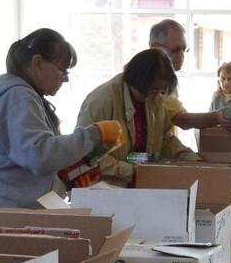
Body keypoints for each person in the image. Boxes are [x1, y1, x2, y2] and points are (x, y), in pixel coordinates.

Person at [0, 29, 121, 209]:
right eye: (63, 70)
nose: (65, 79)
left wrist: (63, 181)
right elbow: (40, 156)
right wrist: (93, 135)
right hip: (7, 213)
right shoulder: (18, 98)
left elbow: (31, 162)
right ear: (37, 62)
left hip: (16, 209)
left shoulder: (24, 97)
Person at [76, 49, 198, 186]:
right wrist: (132, 170)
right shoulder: (103, 101)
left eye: (161, 91)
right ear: (140, 82)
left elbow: (164, 140)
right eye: (154, 90)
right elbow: (90, 157)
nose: (157, 96)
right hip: (105, 189)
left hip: (139, 183)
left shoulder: (154, 100)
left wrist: (193, 160)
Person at [147, 18, 231, 133]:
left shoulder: (169, 78)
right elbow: (182, 119)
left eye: (184, 49)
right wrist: (217, 117)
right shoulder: (153, 79)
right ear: (155, 47)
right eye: (176, 49)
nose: (181, 55)